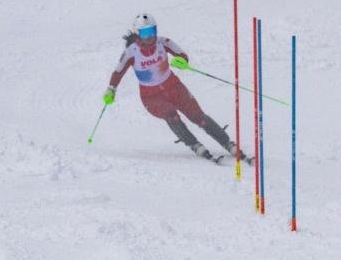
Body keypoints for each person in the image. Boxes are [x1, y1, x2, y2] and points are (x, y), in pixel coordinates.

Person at [103, 14, 253, 164]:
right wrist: (111, 89)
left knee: (198, 116)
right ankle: (194, 145)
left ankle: (227, 143)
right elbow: (118, 72)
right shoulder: (131, 52)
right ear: (137, 34)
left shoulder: (163, 42)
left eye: (152, 31)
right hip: (151, 97)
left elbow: (181, 54)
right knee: (171, 115)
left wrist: (181, 61)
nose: (150, 37)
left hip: (174, 87)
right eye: (145, 33)